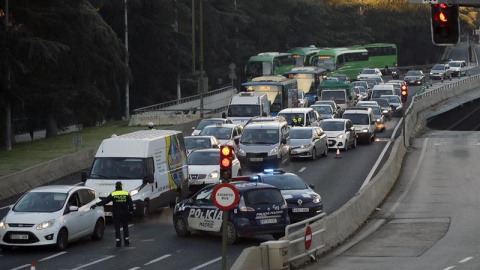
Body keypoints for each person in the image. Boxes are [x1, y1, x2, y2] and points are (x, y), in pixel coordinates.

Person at [91, 181, 134, 247]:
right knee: (125, 227)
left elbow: (105, 201)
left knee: (117, 228)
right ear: (121, 186)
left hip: (116, 214)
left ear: (115, 186)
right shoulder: (126, 193)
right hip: (125, 213)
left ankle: (118, 242)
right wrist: (131, 211)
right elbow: (130, 204)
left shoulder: (113, 194)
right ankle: (126, 241)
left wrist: (96, 204)